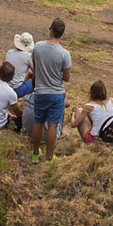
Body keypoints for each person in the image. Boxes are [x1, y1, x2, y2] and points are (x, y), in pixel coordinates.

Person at [30, 18, 72, 160]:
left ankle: (35, 153)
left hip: (40, 91)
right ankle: (49, 156)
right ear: (62, 34)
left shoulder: (38, 47)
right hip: (56, 93)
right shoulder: (64, 54)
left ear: (51, 30)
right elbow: (67, 78)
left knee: (38, 123)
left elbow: (34, 69)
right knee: (53, 126)